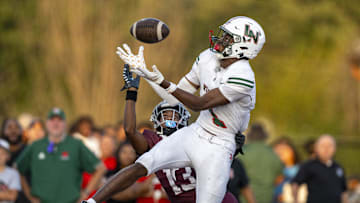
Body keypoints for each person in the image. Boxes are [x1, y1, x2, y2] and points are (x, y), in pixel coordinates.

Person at [84, 16, 265, 203]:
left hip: (219, 145)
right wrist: (145, 72)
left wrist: (161, 80)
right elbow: (172, 98)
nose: (221, 40)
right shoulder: (207, 57)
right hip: (197, 131)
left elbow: (198, 103)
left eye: (228, 38)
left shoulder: (243, 76)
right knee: (144, 163)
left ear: (243, 47)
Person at [16, 107, 107, 203]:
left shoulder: (76, 145)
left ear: (65, 124)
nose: (56, 123)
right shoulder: (35, 146)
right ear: (47, 124)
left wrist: (85, 193)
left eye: (59, 120)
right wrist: (29, 196)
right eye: (52, 120)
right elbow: (17, 169)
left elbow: (100, 168)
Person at [291, 134, 348, 203]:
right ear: (316, 148)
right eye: (323, 146)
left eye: (330, 146)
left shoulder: (338, 167)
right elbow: (295, 184)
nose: (326, 149)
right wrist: (296, 200)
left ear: (335, 148)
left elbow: (343, 191)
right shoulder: (309, 165)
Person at [240, 123, 283, 203]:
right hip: (267, 197)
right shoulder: (273, 154)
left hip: (244, 198)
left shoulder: (242, 152)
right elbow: (279, 178)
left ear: (249, 135)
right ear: (265, 136)